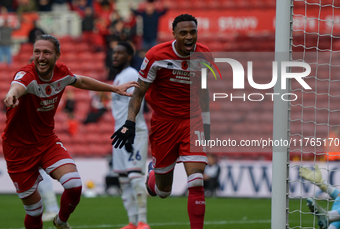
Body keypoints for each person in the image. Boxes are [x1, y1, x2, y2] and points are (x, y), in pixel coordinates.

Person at [1, 34, 138, 229]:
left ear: (57, 54)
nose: (40, 57)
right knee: (35, 211)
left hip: (46, 142)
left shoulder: (62, 73)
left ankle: (61, 221)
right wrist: (11, 95)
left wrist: (114, 89)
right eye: (37, 52)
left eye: (46, 52)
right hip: (18, 149)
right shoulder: (27, 75)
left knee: (74, 185)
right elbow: (17, 87)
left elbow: (80, 81)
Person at [111, 14, 211, 229]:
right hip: (164, 124)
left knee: (196, 181)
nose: (189, 36)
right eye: (183, 32)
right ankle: (154, 174)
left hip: (192, 121)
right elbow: (138, 93)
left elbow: (203, 91)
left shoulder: (204, 55)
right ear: (174, 34)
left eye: (193, 32)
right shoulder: (156, 55)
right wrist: (129, 123)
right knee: (163, 192)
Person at [111, 41, 150, 229]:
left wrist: (129, 127)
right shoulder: (118, 77)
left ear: (128, 56)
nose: (115, 56)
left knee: (135, 177)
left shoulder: (133, 74)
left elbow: (137, 101)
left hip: (133, 131)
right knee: (123, 179)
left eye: (120, 53)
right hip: (119, 132)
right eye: (114, 53)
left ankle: (143, 221)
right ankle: (132, 222)